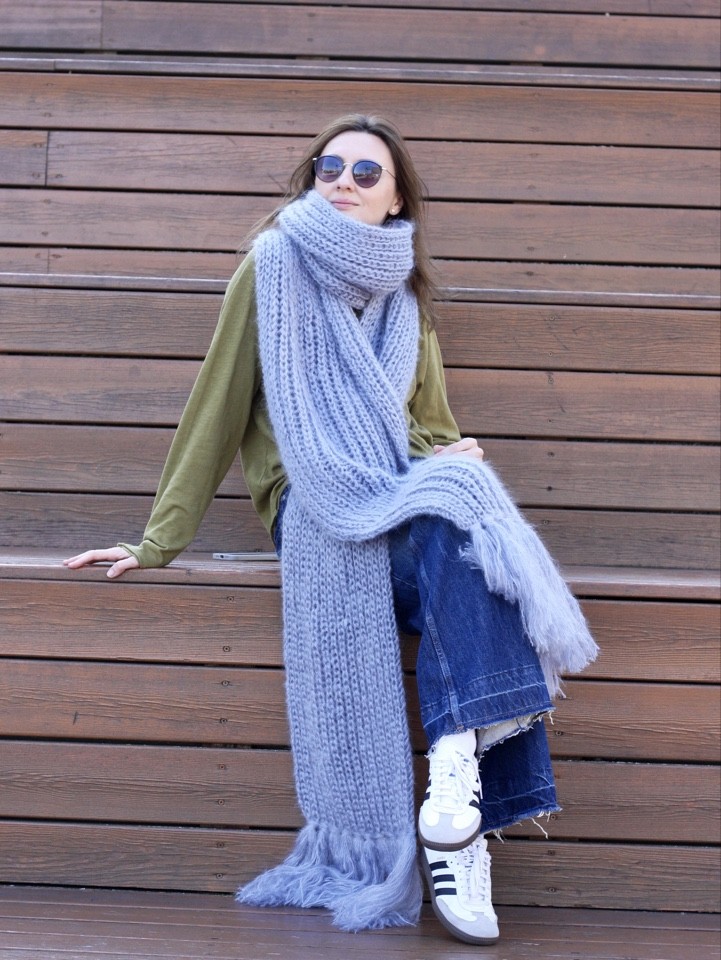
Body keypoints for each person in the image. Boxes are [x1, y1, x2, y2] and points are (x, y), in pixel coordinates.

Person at [65, 114, 597, 945]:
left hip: (398, 500)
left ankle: (453, 788)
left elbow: (426, 428)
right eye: (329, 166)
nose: (344, 181)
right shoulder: (272, 266)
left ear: (396, 199)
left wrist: (444, 452)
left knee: (459, 507)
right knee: (460, 532)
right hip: (311, 504)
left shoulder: (406, 298)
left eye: (365, 172)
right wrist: (156, 541)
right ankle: (464, 804)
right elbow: (216, 406)